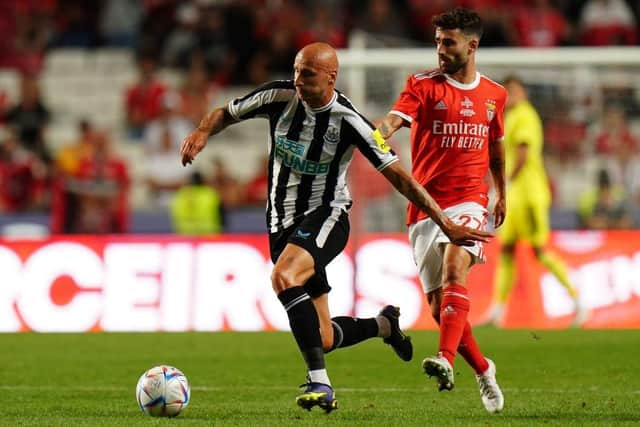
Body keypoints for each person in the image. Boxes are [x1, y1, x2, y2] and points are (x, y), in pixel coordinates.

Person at [180, 42, 491, 413]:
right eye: (296, 70)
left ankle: (320, 384)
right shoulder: (277, 97)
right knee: (324, 336)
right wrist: (202, 132)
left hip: (327, 215)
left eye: (307, 74)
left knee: (283, 277)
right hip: (280, 221)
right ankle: (384, 326)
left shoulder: (349, 120)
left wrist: (445, 222)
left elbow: (400, 178)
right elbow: (224, 113)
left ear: (331, 77)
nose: (298, 80)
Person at [374, 8, 506, 413]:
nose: (440, 49)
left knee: (454, 269)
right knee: (437, 306)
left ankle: (445, 360)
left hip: (469, 200)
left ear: (472, 44)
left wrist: (501, 191)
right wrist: (376, 136)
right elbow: (394, 121)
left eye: (448, 42)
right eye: (437, 42)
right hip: (425, 207)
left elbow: (495, 143)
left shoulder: (494, 95)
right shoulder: (422, 85)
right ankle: (484, 371)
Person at [485, 75, 585, 328]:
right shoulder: (507, 118)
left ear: (524, 92)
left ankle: (579, 302)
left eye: (515, 90)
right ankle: (498, 312)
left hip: (529, 195)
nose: (512, 95)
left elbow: (522, 154)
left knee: (540, 251)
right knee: (506, 251)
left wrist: (501, 186)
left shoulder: (526, 115)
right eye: (508, 91)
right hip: (514, 196)